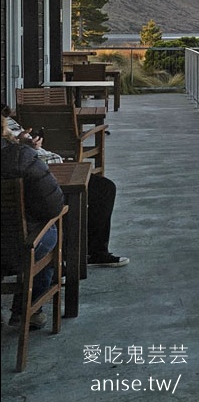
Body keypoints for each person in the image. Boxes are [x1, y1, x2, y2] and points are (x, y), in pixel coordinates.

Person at [1, 104, 128, 268]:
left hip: (34, 172)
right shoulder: (18, 156)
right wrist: (22, 147)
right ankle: (65, 264)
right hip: (24, 233)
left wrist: (22, 142)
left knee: (102, 188)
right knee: (92, 193)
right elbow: (54, 207)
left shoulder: (14, 139)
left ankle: (88, 253)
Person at [1, 125, 65, 329]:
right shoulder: (22, 158)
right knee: (49, 230)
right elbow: (53, 206)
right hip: (16, 251)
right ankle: (27, 310)